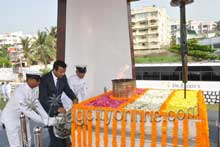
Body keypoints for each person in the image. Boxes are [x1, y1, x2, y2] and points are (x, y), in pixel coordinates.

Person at [1, 71, 56, 147]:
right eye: (38, 81)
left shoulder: (33, 90)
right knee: (16, 144)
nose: (39, 83)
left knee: (27, 139)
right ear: (30, 80)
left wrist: (47, 118)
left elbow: (37, 105)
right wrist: (45, 121)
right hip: (11, 119)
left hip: (23, 118)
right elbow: (28, 111)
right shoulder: (20, 92)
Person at [39, 60, 78, 147]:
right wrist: (56, 109)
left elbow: (67, 89)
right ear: (54, 70)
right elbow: (43, 99)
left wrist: (74, 98)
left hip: (60, 108)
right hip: (49, 110)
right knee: (55, 137)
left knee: (64, 134)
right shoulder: (44, 79)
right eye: (61, 72)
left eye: (64, 72)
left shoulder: (63, 77)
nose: (63, 74)